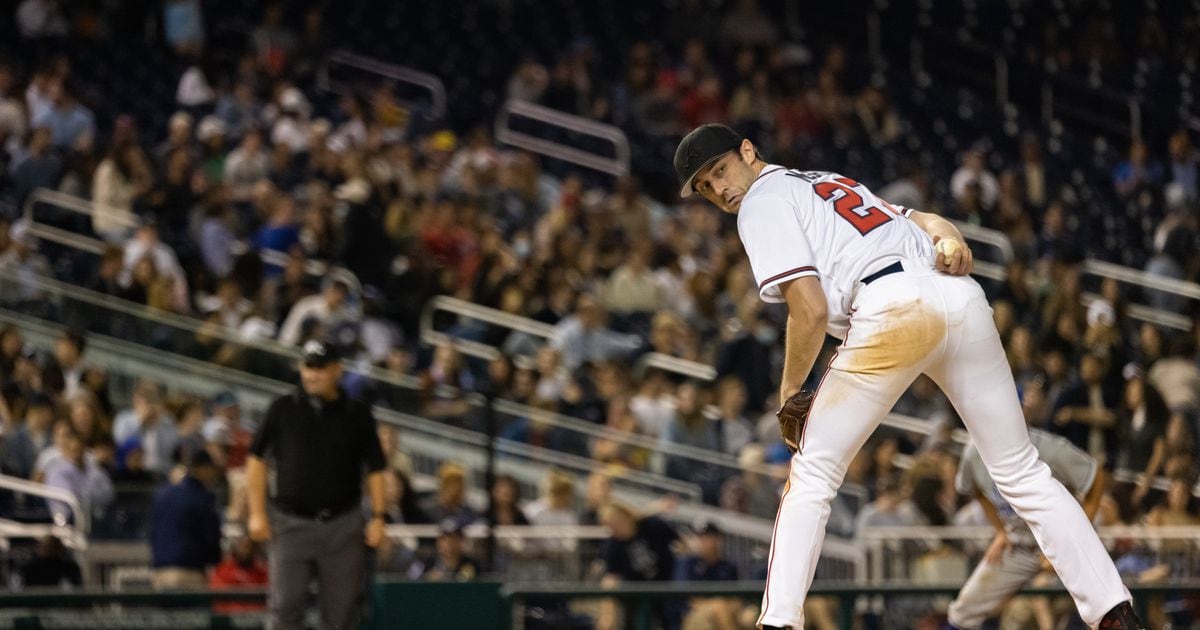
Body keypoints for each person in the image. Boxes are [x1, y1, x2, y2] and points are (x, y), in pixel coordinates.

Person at [672, 123, 1140, 629]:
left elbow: (806, 310)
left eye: (719, 170)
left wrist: (789, 393)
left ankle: (780, 622)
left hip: (891, 307)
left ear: (747, 151)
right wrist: (949, 235)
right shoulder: (829, 182)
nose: (718, 189)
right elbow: (924, 218)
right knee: (1022, 470)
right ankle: (1114, 614)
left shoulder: (761, 200)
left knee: (813, 474)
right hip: (959, 300)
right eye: (704, 187)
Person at [246, 339, 388, 630]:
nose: (312, 374)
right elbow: (256, 460)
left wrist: (378, 517)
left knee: (341, 615)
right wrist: (257, 513)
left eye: (320, 368)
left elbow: (376, 469)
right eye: (308, 367)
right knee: (284, 608)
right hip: (290, 523)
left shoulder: (357, 414)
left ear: (337, 370)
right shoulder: (282, 408)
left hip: (342, 524)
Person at [947, 429, 1109, 629]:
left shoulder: (1051, 449)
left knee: (1104, 607)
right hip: (1020, 545)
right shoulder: (975, 451)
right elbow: (976, 490)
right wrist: (1000, 532)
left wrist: (1076, 539)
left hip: (1064, 542)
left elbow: (1096, 478)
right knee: (963, 611)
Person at [149, 451, 222, 589]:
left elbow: (152, 532)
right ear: (202, 469)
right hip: (189, 572)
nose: (213, 474)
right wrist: (215, 560)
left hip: (160, 571)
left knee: (165, 611)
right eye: (211, 469)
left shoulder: (163, 494)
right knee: (192, 611)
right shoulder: (202, 497)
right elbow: (211, 537)